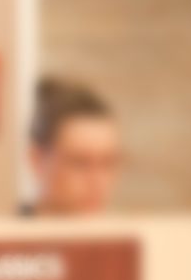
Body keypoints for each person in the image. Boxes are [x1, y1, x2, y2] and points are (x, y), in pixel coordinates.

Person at [23, 77, 123, 216]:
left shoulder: (125, 232)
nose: (97, 181)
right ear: (36, 160)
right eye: (80, 163)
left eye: (108, 163)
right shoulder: (2, 234)